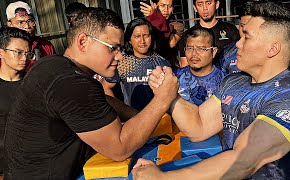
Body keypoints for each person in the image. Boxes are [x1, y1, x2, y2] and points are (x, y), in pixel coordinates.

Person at [133, 2, 290, 179]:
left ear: (273, 48)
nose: (237, 43)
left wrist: (163, 178)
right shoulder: (234, 81)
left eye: (247, 36)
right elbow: (199, 126)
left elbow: (243, 161)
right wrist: (169, 95)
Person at [4, 7, 178, 179]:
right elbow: (120, 148)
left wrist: (138, 116)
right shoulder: (70, 82)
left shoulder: (53, 65)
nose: (119, 56)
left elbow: (101, 100)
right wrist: (163, 98)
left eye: (121, 49)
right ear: (83, 42)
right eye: (113, 48)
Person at [219, 0, 290, 87]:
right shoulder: (228, 52)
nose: (244, 33)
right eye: (242, 27)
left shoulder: (283, 55)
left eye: (249, 32)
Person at [102, 18, 171, 110]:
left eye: (146, 35)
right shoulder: (123, 63)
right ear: (130, 40)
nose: (142, 41)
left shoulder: (162, 62)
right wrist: (121, 111)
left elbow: (170, 92)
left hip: (159, 117)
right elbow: (106, 87)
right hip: (133, 118)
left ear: (151, 37)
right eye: (137, 36)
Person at [0, 27, 33, 180]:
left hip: (34, 164)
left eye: (28, 53)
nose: (24, 58)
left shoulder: (35, 83)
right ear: (1, 52)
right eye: (18, 52)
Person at [179, 0, 240, 67]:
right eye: (200, 4)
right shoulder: (188, 35)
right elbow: (184, 66)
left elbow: (239, 58)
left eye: (208, 3)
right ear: (195, 8)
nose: (205, 8)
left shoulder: (231, 30)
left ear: (217, 4)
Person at [174, 27, 224, 106]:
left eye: (201, 49)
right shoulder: (174, 78)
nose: (194, 53)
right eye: (190, 48)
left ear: (213, 52)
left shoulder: (225, 81)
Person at [6, 1, 56, 71]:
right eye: (20, 22)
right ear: (10, 25)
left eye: (30, 21)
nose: (27, 26)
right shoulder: (5, 49)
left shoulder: (46, 46)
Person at [140, 0, 184, 70]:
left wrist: (156, 18)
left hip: (169, 68)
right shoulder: (144, 25)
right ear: (155, 7)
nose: (166, 10)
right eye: (162, 5)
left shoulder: (177, 26)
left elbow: (171, 43)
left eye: (169, 6)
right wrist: (153, 18)